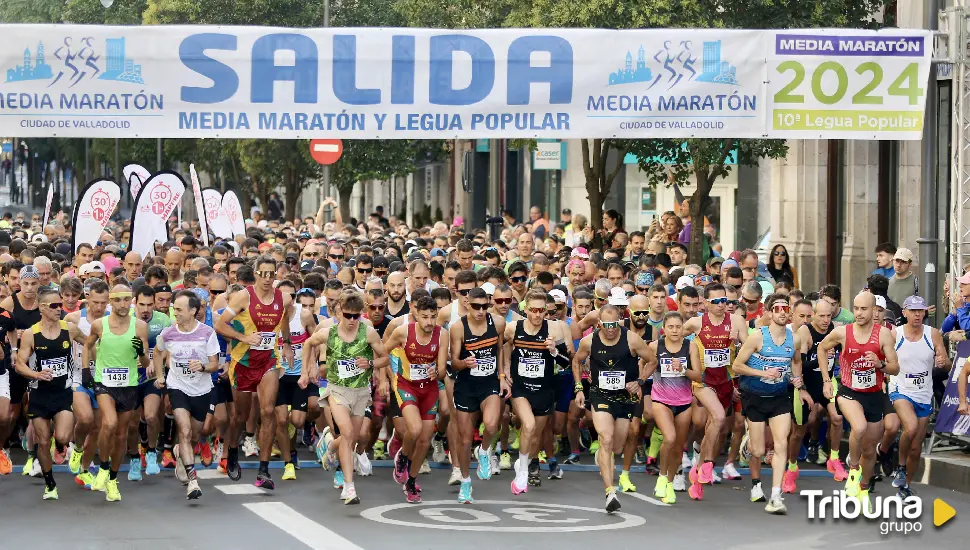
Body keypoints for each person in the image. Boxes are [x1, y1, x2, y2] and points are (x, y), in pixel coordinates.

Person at [301, 291, 388, 505]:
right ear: (340, 311)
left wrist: (369, 364)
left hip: (360, 392)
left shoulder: (368, 333)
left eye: (355, 316)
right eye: (347, 315)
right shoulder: (328, 333)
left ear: (361, 314)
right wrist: (307, 370)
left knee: (353, 438)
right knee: (348, 433)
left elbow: (385, 357)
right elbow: (307, 344)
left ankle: (331, 446)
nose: (351, 320)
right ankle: (349, 488)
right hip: (337, 390)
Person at [215, 256, 294, 488]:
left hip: (269, 360)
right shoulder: (243, 296)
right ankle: (231, 452)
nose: (268, 279)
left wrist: (287, 343)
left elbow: (284, 319)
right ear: (257, 274)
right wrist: (244, 337)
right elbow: (220, 324)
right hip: (243, 362)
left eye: (272, 274)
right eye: (264, 274)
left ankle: (263, 470)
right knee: (240, 416)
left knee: (268, 411)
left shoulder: (284, 298)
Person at [817, 291, 900, 512]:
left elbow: (895, 367)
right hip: (849, 392)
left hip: (874, 394)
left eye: (864, 309)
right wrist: (827, 379)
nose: (859, 313)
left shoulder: (883, 335)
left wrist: (879, 364)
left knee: (870, 449)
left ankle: (863, 489)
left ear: (874, 311)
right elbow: (821, 349)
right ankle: (853, 470)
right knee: (859, 426)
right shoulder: (842, 332)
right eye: (856, 308)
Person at [731, 294, 809, 515]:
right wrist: (762, 372)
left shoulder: (794, 339)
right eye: (777, 309)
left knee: (780, 443)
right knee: (758, 450)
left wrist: (798, 382)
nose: (782, 312)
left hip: (778, 397)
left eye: (786, 308)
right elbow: (737, 365)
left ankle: (775, 496)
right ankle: (748, 446)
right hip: (754, 395)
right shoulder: (757, 337)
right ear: (769, 312)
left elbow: (796, 361)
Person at [572, 304, 654, 513]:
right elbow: (577, 361)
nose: (610, 329)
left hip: (624, 398)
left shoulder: (631, 339)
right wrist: (579, 388)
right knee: (606, 438)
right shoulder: (589, 341)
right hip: (600, 395)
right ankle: (610, 492)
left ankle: (604, 454)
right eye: (605, 325)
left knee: (616, 447)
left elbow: (652, 360)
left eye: (614, 324)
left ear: (620, 321)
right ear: (599, 324)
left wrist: (640, 381)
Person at [15, 287, 86, 500]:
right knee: (43, 441)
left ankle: (61, 445)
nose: (59, 309)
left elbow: (90, 342)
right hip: (39, 394)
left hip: (63, 392)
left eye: (60, 305)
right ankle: (50, 483)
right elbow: (20, 364)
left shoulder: (70, 329)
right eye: (54, 306)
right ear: (42, 308)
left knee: (63, 436)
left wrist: (89, 367)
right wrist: (36, 374)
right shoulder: (31, 334)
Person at [84, 282, 152, 502]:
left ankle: (112, 479)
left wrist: (141, 351)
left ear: (130, 300)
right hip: (104, 381)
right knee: (109, 423)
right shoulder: (99, 325)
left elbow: (144, 361)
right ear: (110, 301)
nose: (122, 304)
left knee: (121, 434)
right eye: (117, 300)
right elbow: (87, 346)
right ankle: (103, 467)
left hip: (129, 384)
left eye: (126, 299)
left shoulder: (140, 326)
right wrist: (87, 371)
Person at [152, 290, 221, 500]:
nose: (175, 313)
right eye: (174, 309)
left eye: (180, 309)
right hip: (177, 386)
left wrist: (202, 366)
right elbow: (157, 352)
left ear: (193, 311)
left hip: (201, 389)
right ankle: (193, 481)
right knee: (184, 428)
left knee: (195, 435)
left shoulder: (207, 332)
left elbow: (214, 364)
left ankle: (181, 454)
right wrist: (159, 375)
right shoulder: (168, 333)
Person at [683, 283, 748, 498]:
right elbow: (673, 340)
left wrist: (738, 345)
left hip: (726, 382)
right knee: (719, 418)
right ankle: (709, 463)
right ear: (706, 303)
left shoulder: (737, 321)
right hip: (703, 382)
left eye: (726, 301)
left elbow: (749, 350)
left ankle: (697, 474)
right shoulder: (695, 323)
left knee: (715, 427)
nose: (723, 305)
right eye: (718, 301)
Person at [505, 289, 573, 495]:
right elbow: (502, 347)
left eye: (541, 311)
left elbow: (566, 362)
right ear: (525, 309)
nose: (536, 315)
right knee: (529, 424)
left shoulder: (555, 330)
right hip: (520, 388)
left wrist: (554, 351)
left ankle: (522, 463)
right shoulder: (513, 328)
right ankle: (524, 471)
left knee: (535, 436)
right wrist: (505, 370)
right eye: (532, 310)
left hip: (544, 389)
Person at [384, 296, 448, 503]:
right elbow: (382, 351)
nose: (429, 322)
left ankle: (411, 481)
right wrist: (370, 365)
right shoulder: (403, 331)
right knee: (414, 429)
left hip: (429, 389)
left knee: (424, 439)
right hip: (406, 385)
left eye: (433, 317)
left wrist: (435, 372)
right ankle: (403, 455)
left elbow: (442, 370)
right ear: (416, 316)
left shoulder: (442, 334)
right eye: (425, 317)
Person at [889, 296, 948, 497]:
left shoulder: (933, 334)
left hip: (924, 392)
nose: (917, 314)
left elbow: (947, 364)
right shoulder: (894, 334)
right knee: (911, 426)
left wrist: (942, 362)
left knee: (916, 448)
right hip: (900, 389)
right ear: (904, 312)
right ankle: (900, 466)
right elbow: (885, 362)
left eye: (920, 311)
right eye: (913, 311)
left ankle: (905, 485)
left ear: (925, 313)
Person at [643, 312, 694, 504]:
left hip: (684, 402)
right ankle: (662, 477)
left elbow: (698, 375)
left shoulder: (690, 347)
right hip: (661, 399)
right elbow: (644, 363)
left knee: (678, 448)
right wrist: (640, 383)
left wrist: (683, 369)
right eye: (671, 327)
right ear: (664, 328)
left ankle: (670, 484)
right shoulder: (656, 346)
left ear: (683, 329)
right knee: (669, 438)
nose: (675, 330)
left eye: (678, 327)